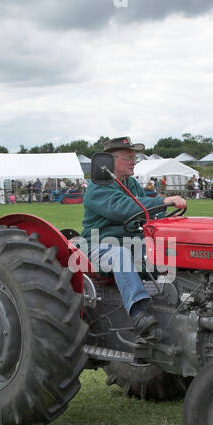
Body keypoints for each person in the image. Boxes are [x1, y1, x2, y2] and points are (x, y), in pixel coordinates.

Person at [81, 136, 185, 338]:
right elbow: (125, 208)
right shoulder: (99, 185)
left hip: (130, 242)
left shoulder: (130, 183)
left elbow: (145, 204)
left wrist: (166, 215)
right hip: (98, 244)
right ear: (109, 161)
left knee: (167, 248)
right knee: (119, 255)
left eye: (134, 157)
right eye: (128, 157)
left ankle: (180, 299)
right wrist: (164, 201)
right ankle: (139, 311)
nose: (133, 162)